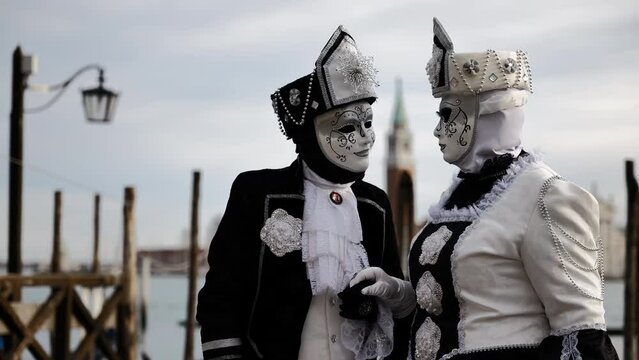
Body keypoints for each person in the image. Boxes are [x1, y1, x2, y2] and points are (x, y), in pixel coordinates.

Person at [351, 18, 619, 359]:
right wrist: (399, 296)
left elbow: (582, 332)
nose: (437, 130)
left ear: (488, 116)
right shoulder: (458, 196)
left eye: (447, 116)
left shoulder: (547, 197)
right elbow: (457, 307)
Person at [196, 26, 413, 360]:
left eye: (368, 124)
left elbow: (397, 312)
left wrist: (391, 291)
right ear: (311, 133)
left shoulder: (375, 205)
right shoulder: (257, 193)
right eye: (348, 127)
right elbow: (221, 300)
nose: (366, 138)